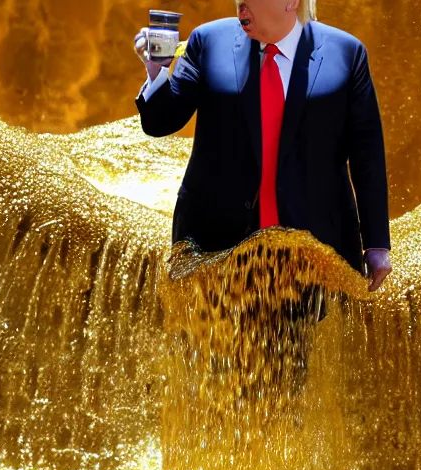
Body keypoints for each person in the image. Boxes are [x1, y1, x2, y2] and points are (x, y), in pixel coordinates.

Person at [134, 0, 392, 292]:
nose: (241, 5)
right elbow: (161, 122)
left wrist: (376, 242)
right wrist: (155, 73)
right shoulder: (208, 40)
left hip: (316, 249)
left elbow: (366, 152)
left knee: (304, 338)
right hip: (216, 247)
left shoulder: (347, 52)